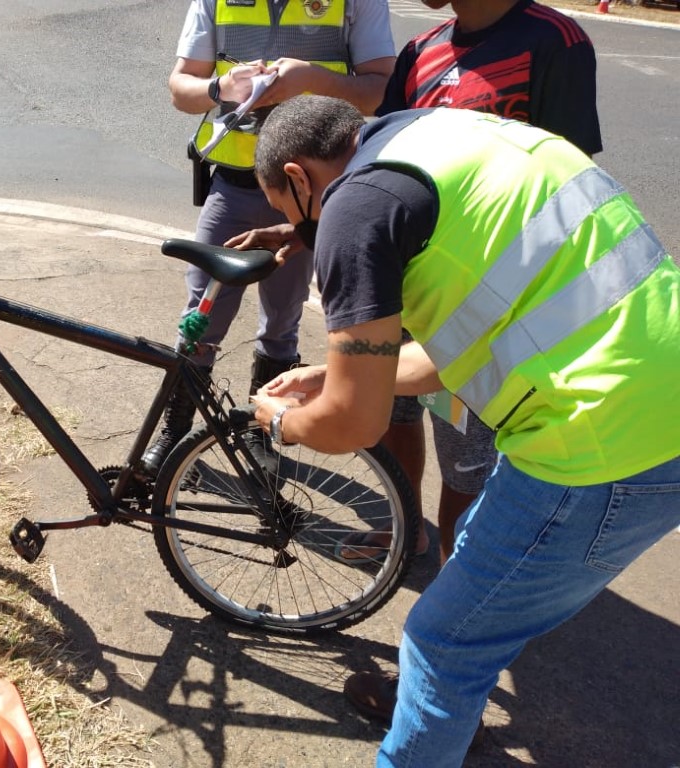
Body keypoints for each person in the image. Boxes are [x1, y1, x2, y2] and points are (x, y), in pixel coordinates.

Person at [245, 94, 680, 767]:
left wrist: (283, 421)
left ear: (300, 178)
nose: (304, 232)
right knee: (477, 595)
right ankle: (442, 709)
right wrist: (335, 377)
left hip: (596, 450)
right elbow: (462, 348)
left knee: (445, 638)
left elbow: (354, 423)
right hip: (649, 403)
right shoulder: (448, 136)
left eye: (291, 214)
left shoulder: (355, 209)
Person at [335, 0, 605, 728]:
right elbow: (377, 151)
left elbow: (569, 183)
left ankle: (464, 577)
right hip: (409, 281)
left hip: (488, 305)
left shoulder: (553, 39)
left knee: (471, 462)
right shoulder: (425, 49)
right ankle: (405, 530)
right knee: (391, 412)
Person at [140, 0, 396, 476]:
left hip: (315, 194)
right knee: (201, 314)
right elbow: (181, 89)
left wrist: (313, 79)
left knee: (283, 319)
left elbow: (380, 90)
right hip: (235, 186)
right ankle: (174, 432)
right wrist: (221, 87)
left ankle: (264, 435)